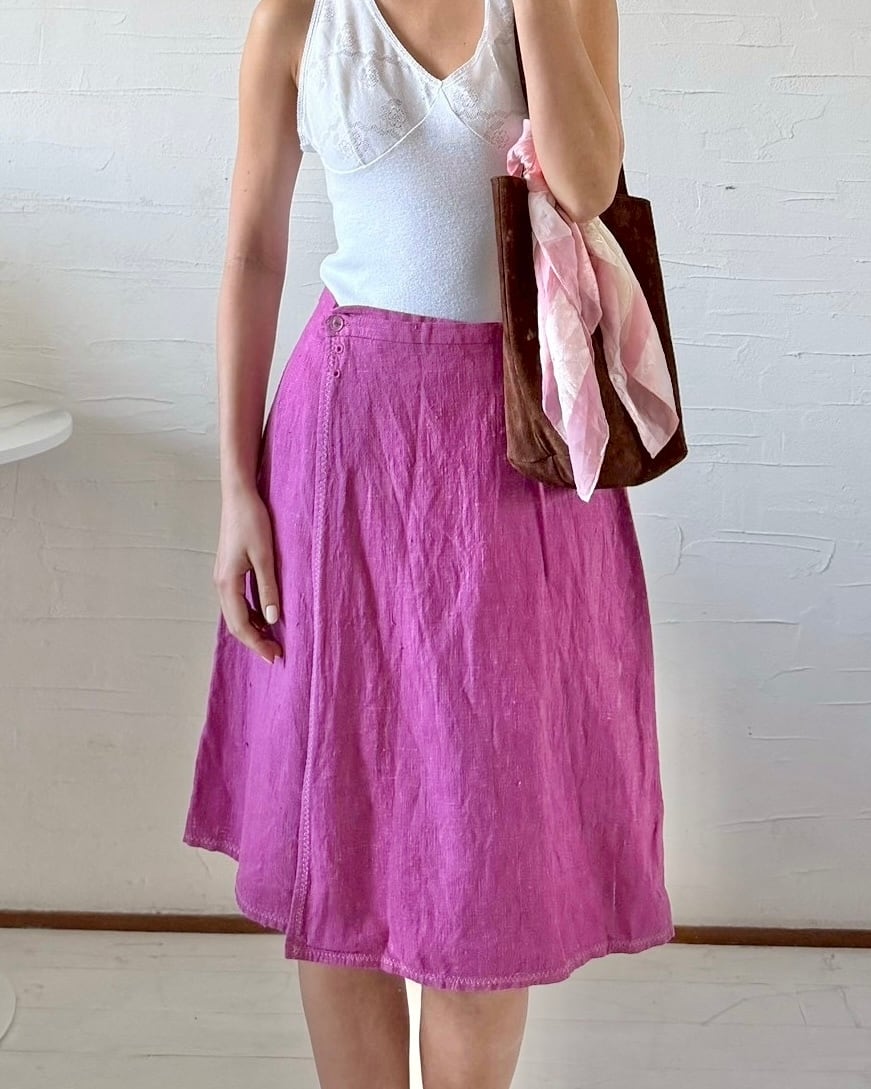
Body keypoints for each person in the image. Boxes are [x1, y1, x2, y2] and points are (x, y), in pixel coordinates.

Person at [182, 0, 675, 1085]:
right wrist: (235, 488)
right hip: (340, 445)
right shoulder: (296, 18)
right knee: (340, 828)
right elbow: (254, 251)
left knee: (487, 839)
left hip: (516, 452)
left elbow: (588, 185)